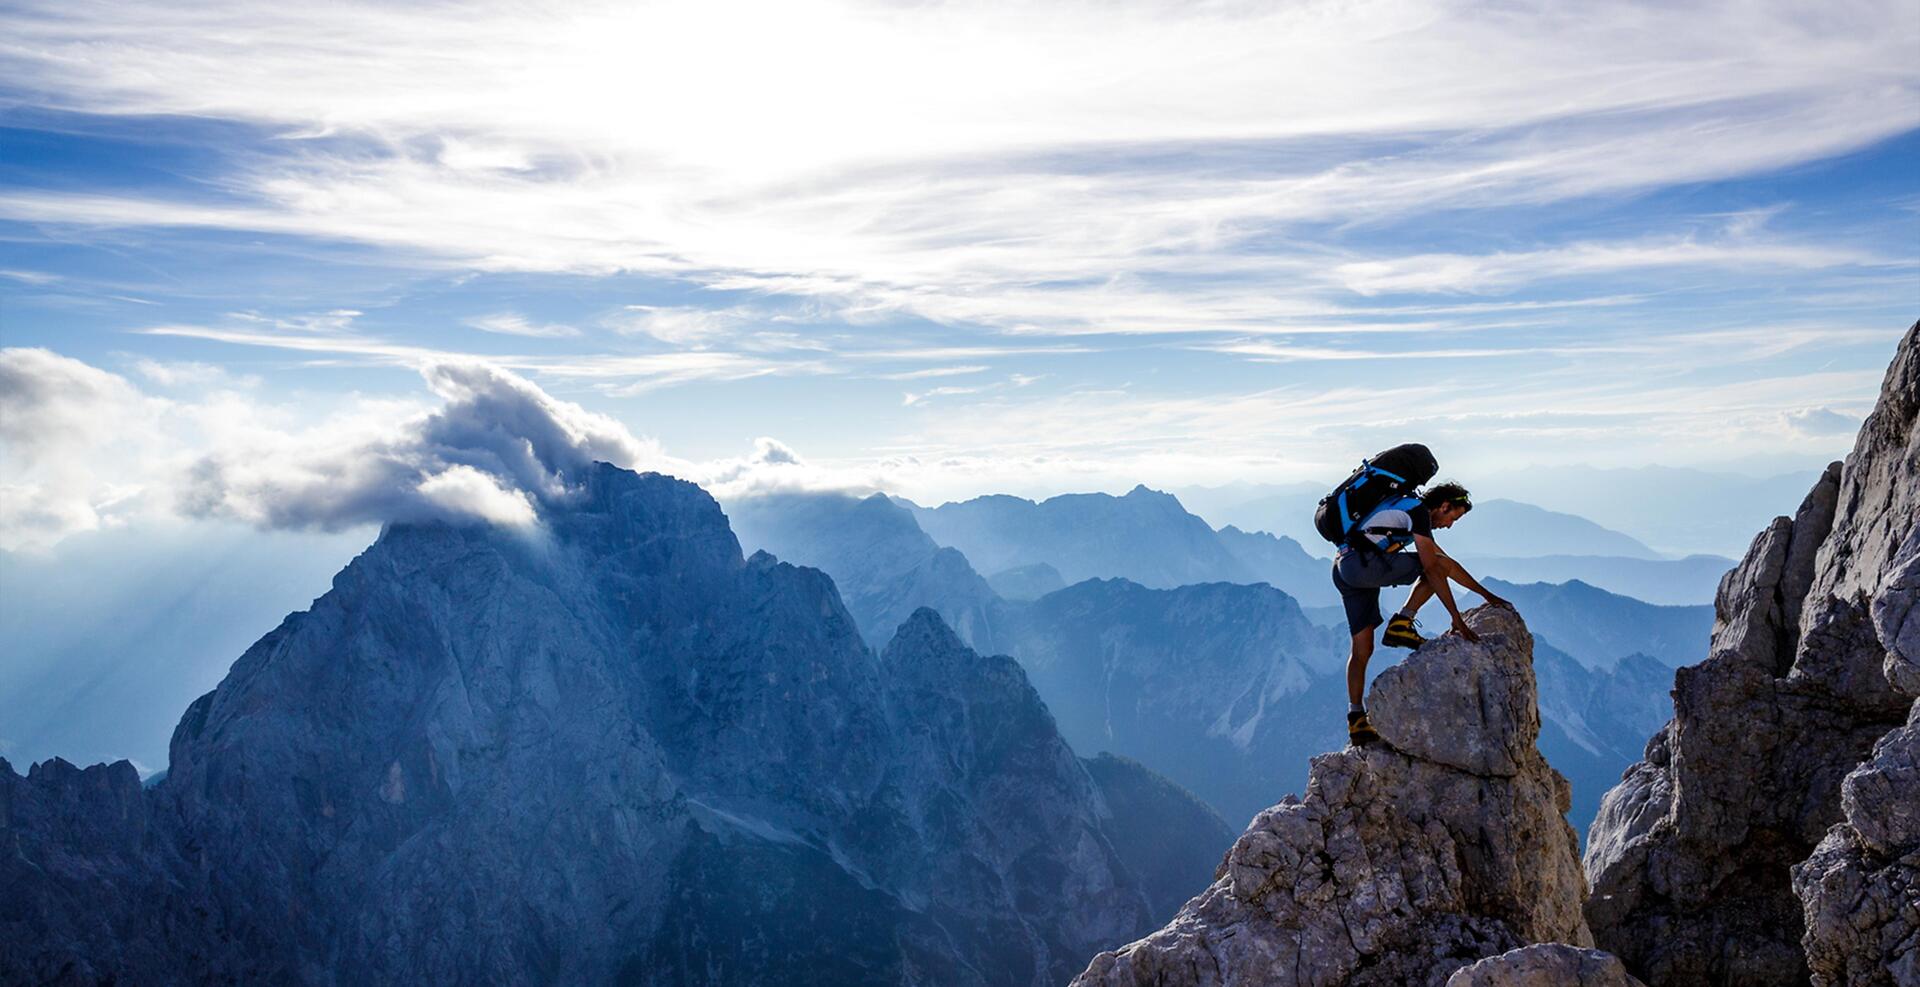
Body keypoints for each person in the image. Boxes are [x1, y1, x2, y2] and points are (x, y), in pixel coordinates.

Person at [1333, 481, 1510, 746]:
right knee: (1433, 567)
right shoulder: (1417, 513)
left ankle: (1356, 719)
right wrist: (1457, 619)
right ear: (1443, 505)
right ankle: (1402, 623)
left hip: (1344, 568)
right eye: (1452, 517)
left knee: (1361, 650)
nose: (1449, 525)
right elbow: (1435, 568)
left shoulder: (1407, 509)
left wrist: (1487, 595)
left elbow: (1449, 564)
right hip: (1363, 567)